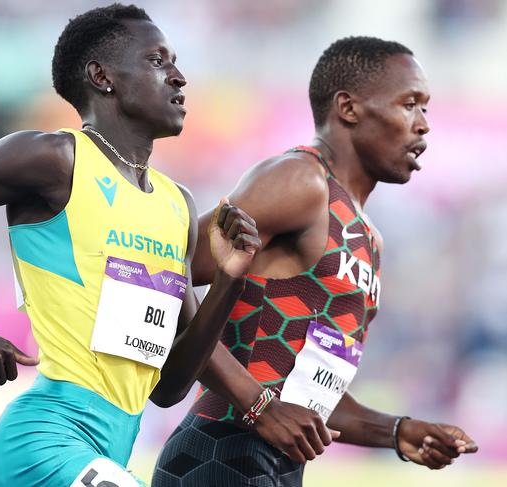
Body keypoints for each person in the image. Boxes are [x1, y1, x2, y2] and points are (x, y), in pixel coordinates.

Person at [0, 4, 262, 487]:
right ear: (102, 77)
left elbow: (169, 387)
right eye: (158, 61)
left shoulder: (177, 205)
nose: (180, 77)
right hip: (42, 441)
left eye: (175, 62)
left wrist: (227, 279)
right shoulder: (55, 159)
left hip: (111, 449)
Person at [153, 36, 478, 487]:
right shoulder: (300, 181)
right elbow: (160, 270)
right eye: (409, 104)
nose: (423, 125)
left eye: (426, 109)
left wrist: (396, 431)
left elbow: (304, 393)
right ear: (348, 107)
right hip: (221, 452)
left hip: (275, 465)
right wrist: (256, 403)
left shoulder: (369, 238)